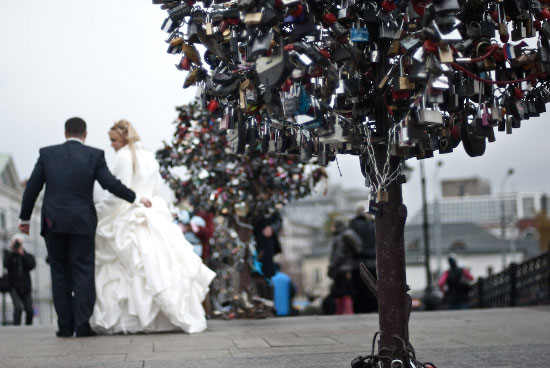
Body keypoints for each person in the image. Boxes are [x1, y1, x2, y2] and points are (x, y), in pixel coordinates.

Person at [18, 117, 151, 338]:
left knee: (59, 274)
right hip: (82, 223)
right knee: (83, 273)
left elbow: (32, 187)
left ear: (65, 133)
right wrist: (135, 197)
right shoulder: (94, 155)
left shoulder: (46, 154)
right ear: (85, 134)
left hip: (54, 223)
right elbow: (110, 184)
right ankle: (82, 326)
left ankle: (64, 327)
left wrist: (24, 218)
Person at [90, 119, 216, 334]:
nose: (111, 145)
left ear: (122, 139)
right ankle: (163, 318)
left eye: (113, 140)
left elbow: (119, 194)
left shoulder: (123, 157)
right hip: (151, 213)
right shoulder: (149, 157)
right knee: (160, 264)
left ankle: (134, 319)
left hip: (129, 214)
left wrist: (97, 213)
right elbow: (155, 189)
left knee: (130, 269)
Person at [327, 216, 362, 315]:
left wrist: (332, 266)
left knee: (343, 292)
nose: (331, 227)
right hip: (348, 267)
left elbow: (339, 254)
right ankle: (345, 312)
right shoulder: (348, 234)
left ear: (337, 226)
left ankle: (344, 312)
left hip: (340, 268)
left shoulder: (340, 236)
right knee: (345, 292)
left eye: (332, 225)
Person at [348, 204, 378, 313]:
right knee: (372, 288)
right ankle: (373, 310)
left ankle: (360, 312)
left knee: (359, 291)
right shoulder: (374, 225)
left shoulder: (352, 225)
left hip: (356, 264)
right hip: (372, 263)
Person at [3, 234, 36, 325]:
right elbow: (5, 264)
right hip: (13, 286)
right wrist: (12, 250)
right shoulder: (9, 255)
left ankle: (28, 327)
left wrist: (22, 253)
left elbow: (31, 265)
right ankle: (16, 327)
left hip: (26, 287)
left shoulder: (27, 255)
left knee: (29, 309)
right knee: (17, 308)